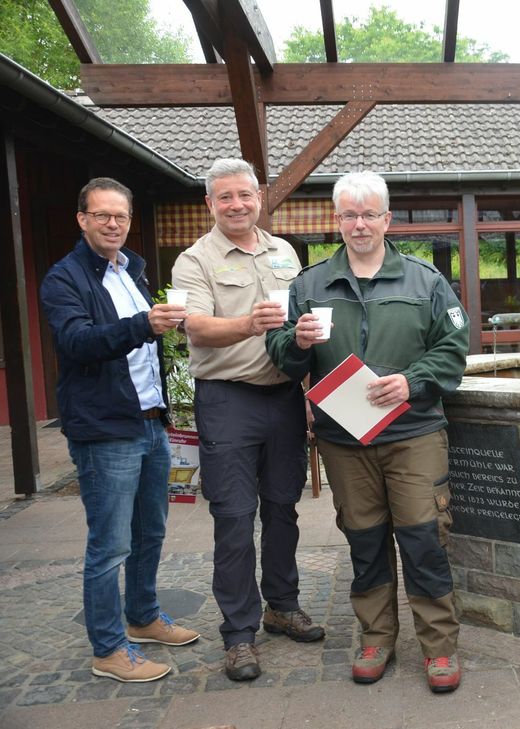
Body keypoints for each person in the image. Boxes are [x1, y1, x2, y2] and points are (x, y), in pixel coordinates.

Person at [266, 171, 469, 693]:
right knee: (364, 541)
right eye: (350, 215)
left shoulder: (425, 281)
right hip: (344, 440)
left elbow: (453, 348)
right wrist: (298, 342)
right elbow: (282, 359)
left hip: (414, 433)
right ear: (338, 221)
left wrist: (412, 381)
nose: (360, 224)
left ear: (387, 219)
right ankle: (376, 637)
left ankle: (440, 648)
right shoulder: (309, 285)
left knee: (424, 540)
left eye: (369, 214)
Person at [40, 177, 199, 683]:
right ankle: (108, 648)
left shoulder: (132, 270)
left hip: (151, 423)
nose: (113, 224)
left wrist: (162, 331)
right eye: (102, 215)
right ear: (82, 219)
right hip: (105, 430)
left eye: (121, 216)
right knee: (109, 544)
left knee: (150, 532)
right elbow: (76, 341)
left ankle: (144, 617)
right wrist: (143, 327)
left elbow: (146, 348)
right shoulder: (65, 278)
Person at [172, 158, 325, 682]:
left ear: (259, 197)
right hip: (226, 400)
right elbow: (193, 328)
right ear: (210, 204)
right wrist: (244, 324)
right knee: (234, 519)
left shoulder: (284, 250)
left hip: (283, 398)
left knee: (283, 508)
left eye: (245, 195)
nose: (236, 205)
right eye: (225, 197)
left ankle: (283, 605)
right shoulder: (195, 260)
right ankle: (239, 634)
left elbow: (298, 318)